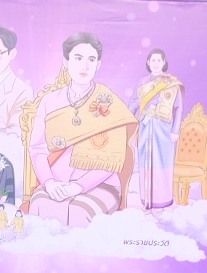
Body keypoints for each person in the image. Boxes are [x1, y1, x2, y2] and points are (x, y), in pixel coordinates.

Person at [25, 32, 139, 227]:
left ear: (98, 65)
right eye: (78, 58)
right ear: (66, 61)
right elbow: (37, 148)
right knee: (40, 206)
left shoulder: (109, 102)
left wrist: (79, 186)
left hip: (101, 184)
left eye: (91, 59)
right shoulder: (49, 101)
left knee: (79, 212)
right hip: (56, 183)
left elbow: (114, 158)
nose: (84, 66)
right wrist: (50, 183)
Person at [132, 48, 183, 211]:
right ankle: (147, 202)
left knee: (162, 164)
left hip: (164, 129)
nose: (155, 63)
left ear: (164, 62)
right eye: (152, 60)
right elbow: (133, 103)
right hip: (145, 127)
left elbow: (178, 108)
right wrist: (129, 119)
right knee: (145, 164)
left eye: (158, 60)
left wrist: (175, 130)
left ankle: (162, 202)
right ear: (148, 62)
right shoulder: (141, 82)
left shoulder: (171, 82)